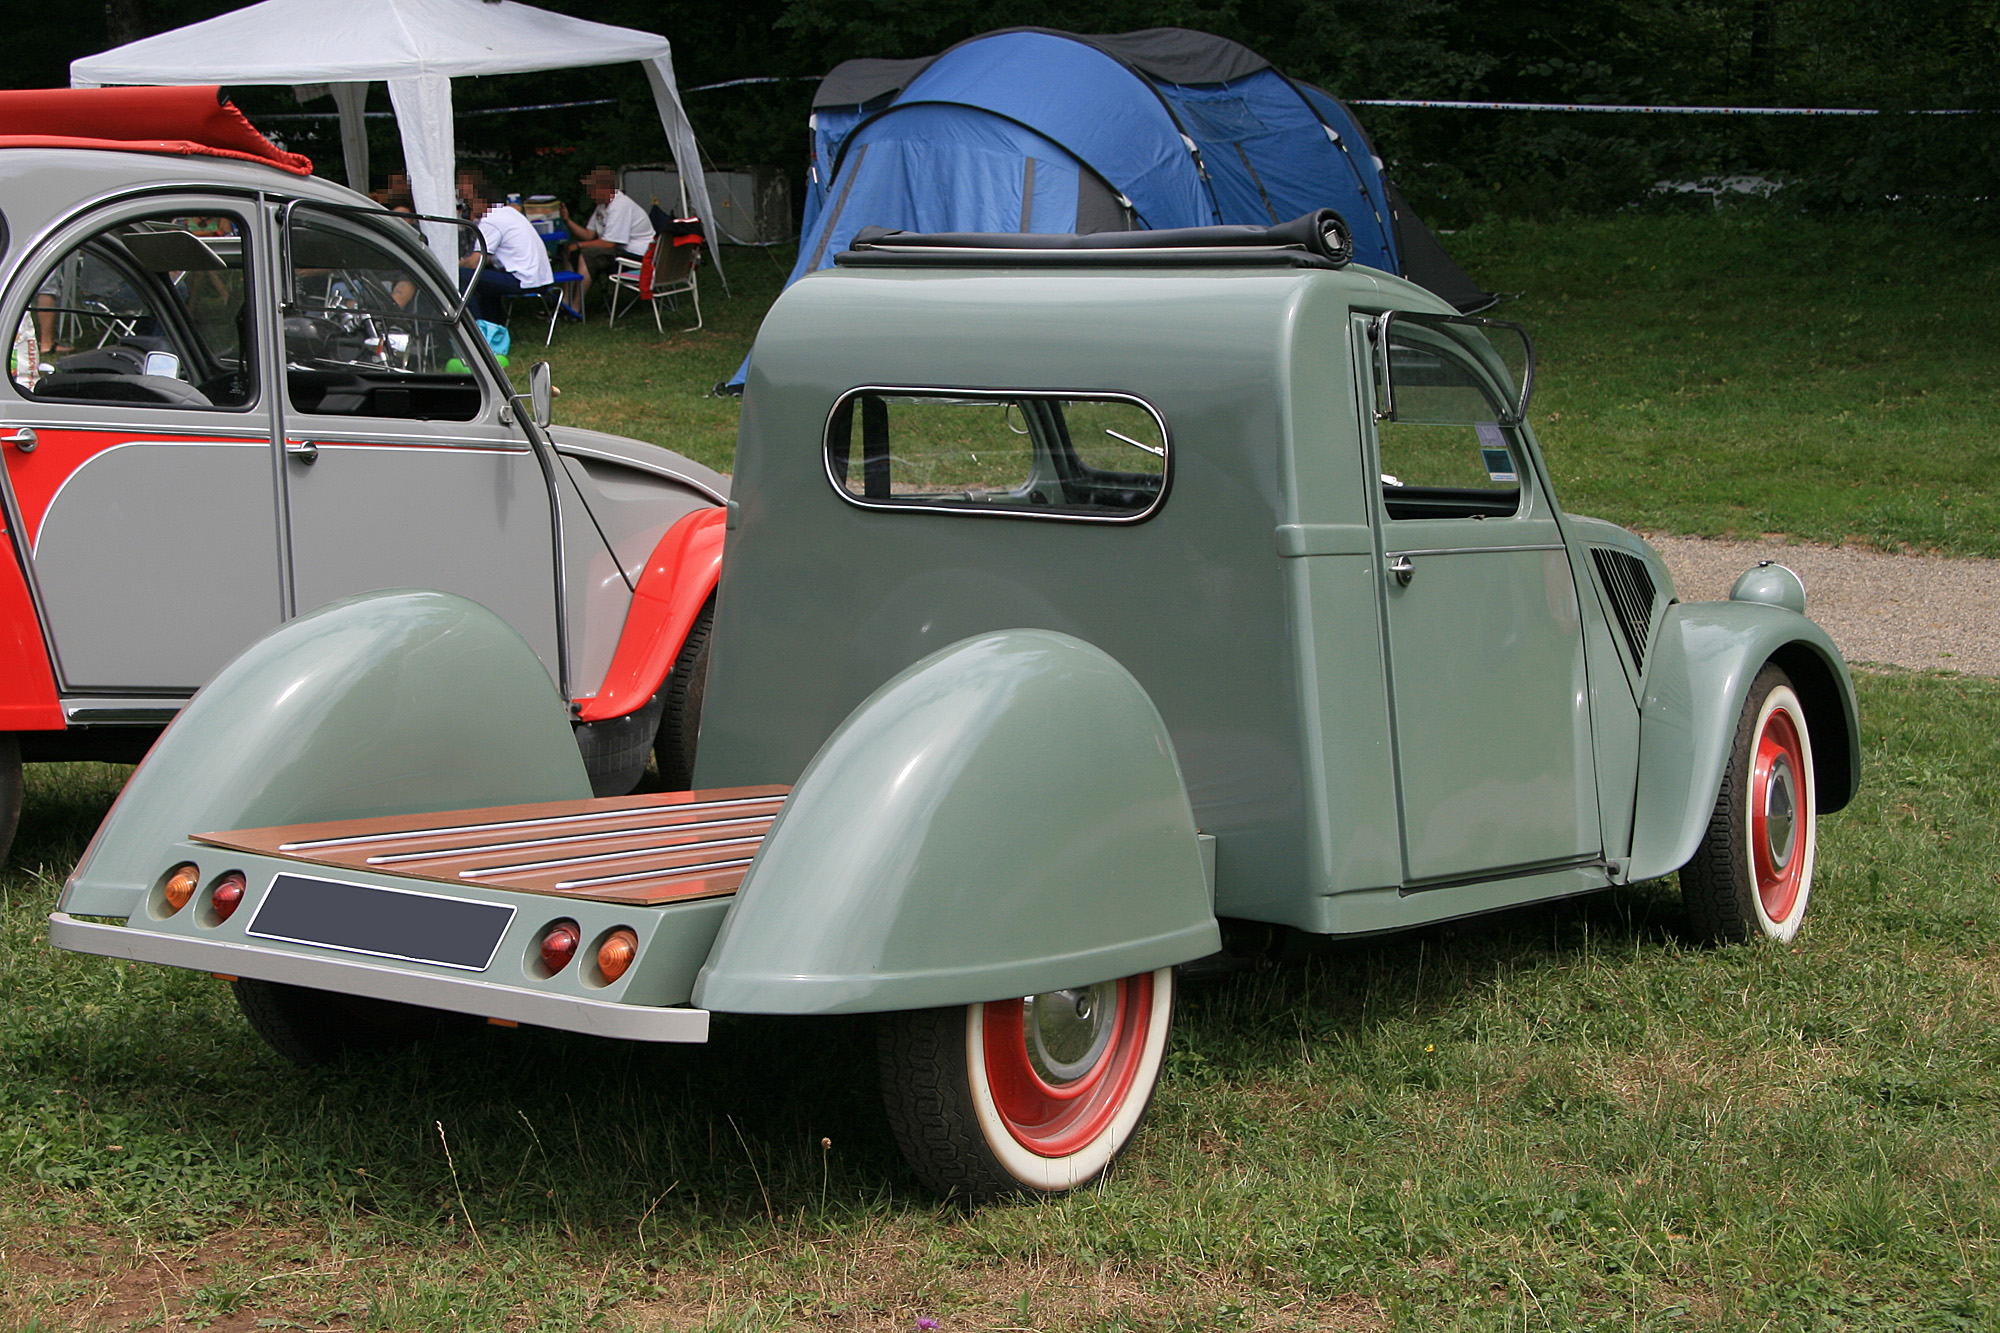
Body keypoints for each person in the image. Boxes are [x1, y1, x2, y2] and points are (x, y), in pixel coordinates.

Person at [456, 168, 551, 324]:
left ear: (479, 201)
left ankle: (477, 329)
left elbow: (474, 263)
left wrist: (456, 264)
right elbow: (485, 260)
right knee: (486, 274)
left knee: (462, 276)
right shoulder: (509, 212)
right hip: (541, 279)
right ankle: (493, 323)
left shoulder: (491, 220)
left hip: (523, 280)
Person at [560, 166, 655, 312]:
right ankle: (565, 301)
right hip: (619, 250)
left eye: (592, 189)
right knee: (568, 248)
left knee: (587, 255)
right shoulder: (602, 206)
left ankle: (576, 307)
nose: (589, 193)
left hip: (637, 255)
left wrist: (579, 246)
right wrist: (568, 221)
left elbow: (610, 243)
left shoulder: (620, 205)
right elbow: (589, 235)